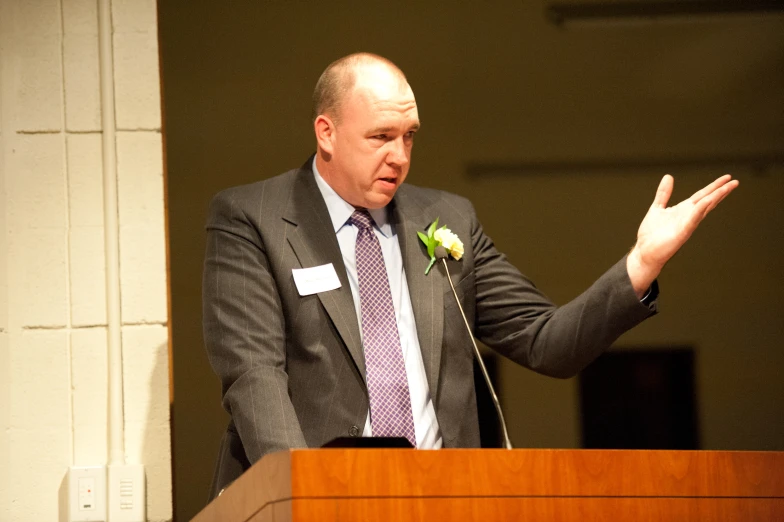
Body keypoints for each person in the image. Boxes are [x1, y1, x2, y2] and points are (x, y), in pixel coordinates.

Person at [202, 53, 738, 497]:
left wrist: (641, 264)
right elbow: (254, 375)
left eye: (409, 136)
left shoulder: (446, 219)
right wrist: (305, 496)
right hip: (319, 497)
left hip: (445, 497)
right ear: (327, 132)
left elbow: (547, 342)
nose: (400, 156)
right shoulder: (255, 218)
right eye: (381, 136)